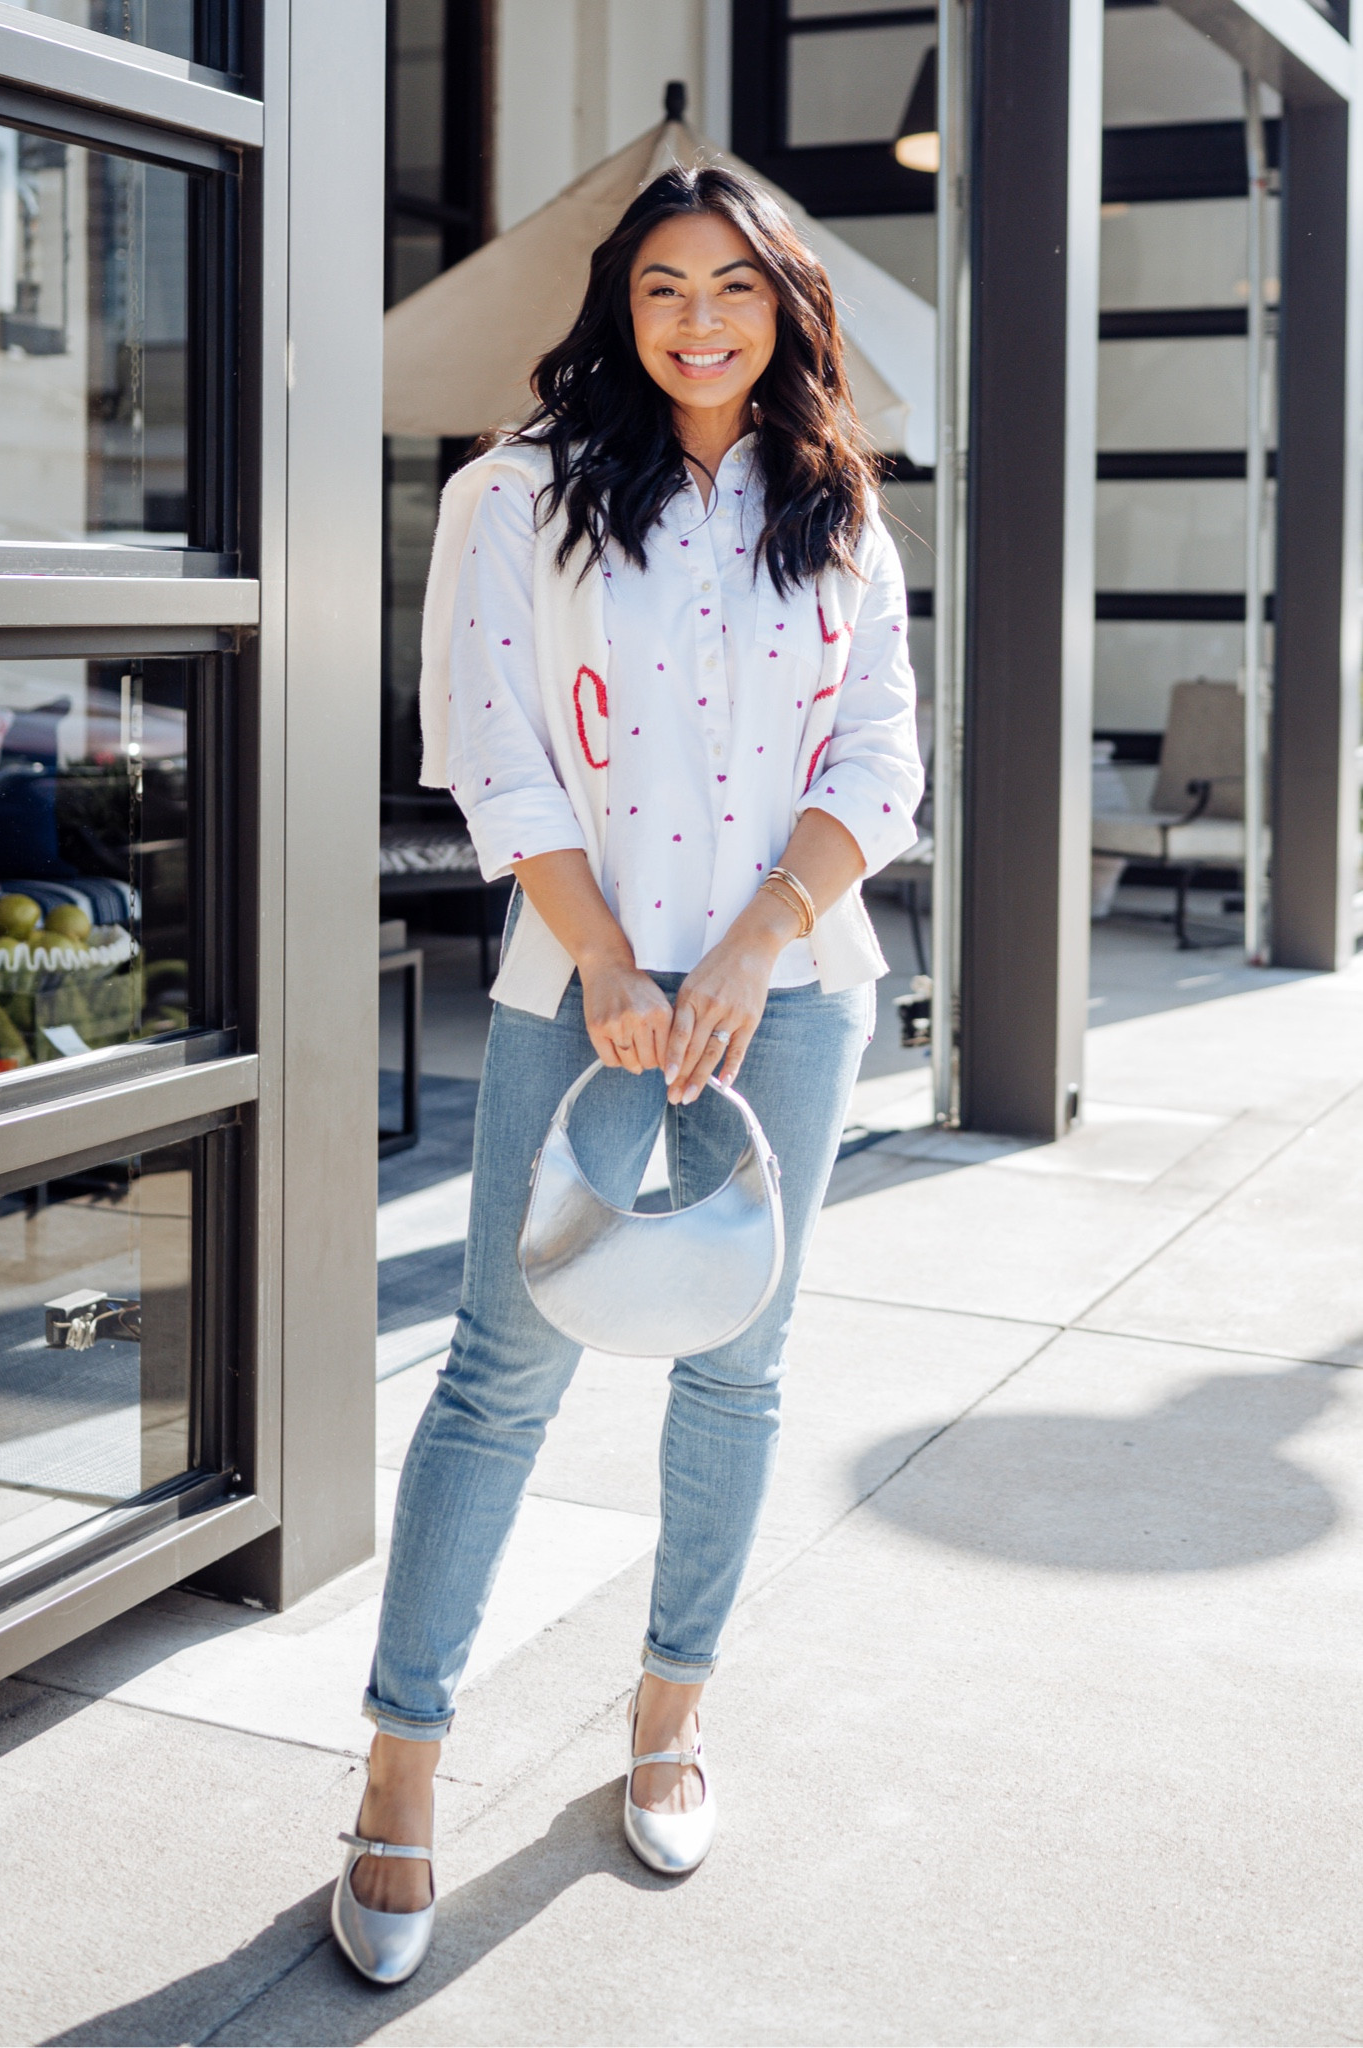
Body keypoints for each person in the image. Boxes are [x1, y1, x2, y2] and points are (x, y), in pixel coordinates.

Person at [332, 163, 924, 1985]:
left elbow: (879, 757)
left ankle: (667, 1719)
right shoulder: (512, 494)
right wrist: (610, 959)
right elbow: (494, 752)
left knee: (735, 1376)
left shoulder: (835, 508)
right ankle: (399, 1775)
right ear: (619, 302)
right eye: (662, 285)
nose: (696, 319)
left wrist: (744, 949)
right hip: (568, 983)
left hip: (792, 990)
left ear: (782, 306)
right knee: (500, 1376)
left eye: (732, 287)